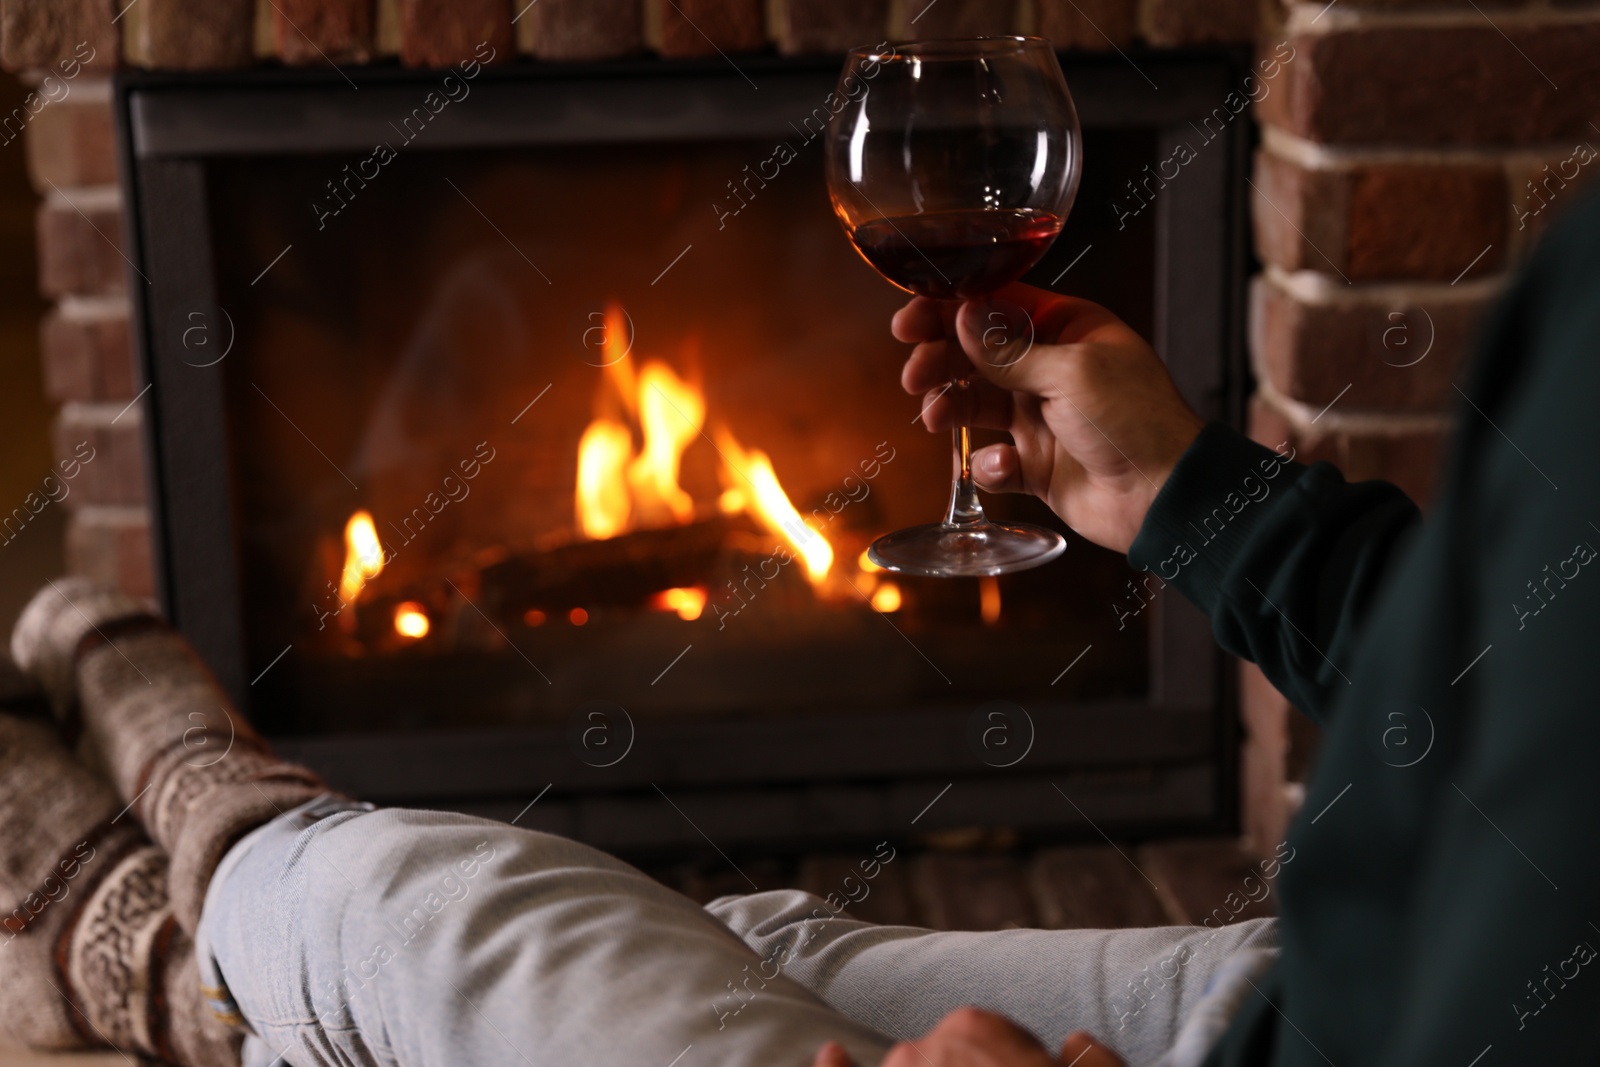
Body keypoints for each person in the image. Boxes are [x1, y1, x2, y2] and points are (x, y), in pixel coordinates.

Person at [4, 182, 1598, 1066]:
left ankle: (182, 897)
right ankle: (186, 958)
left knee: (410, 903)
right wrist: (1187, 494)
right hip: (1311, 1004)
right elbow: (1509, 695)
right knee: (747, 947)